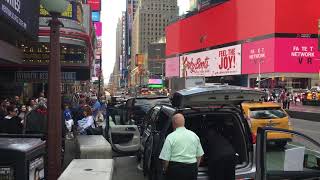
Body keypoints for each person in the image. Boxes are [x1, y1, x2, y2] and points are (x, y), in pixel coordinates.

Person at [159, 113, 204, 180]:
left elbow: (165, 159)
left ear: (173, 124)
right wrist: (194, 167)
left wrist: (166, 171)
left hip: (175, 170)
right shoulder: (194, 135)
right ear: (184, 122)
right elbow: (199, 155)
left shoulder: (170, 137)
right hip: (192, 169)